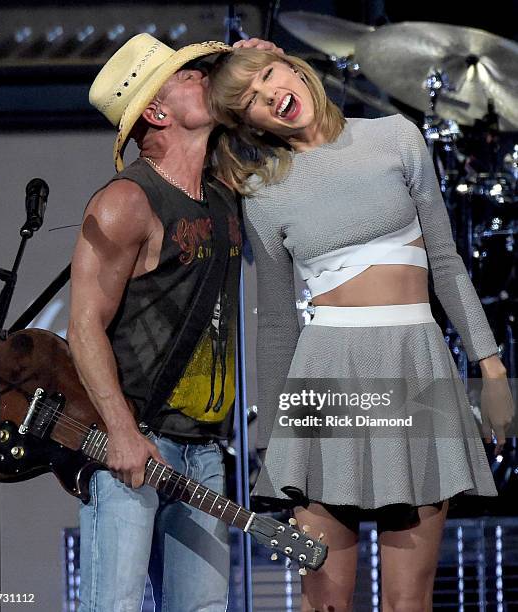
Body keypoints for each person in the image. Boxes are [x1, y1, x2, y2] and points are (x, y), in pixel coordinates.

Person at [207, 47, 515, 612]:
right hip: (324, 384)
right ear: (248, 123)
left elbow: (445, 264)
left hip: (416, 372)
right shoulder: (264, 191)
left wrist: (489, 364)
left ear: (294, 70)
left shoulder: (396, 137)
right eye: (248, 101)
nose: (268, 95)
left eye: (267, 77)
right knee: (325, 601)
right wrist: (279, 441)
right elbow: (277, 321)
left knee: (409, 603)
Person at [67, 34, 277, 612]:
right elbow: (83, 325)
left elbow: (283, 137)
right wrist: (122, 433)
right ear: (156, 112)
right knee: (115, 607)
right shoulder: (127, 201)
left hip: (203, 451)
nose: (206, 78)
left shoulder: (221, 192)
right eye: (188, 76)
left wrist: (261, 66)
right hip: (136, 442)